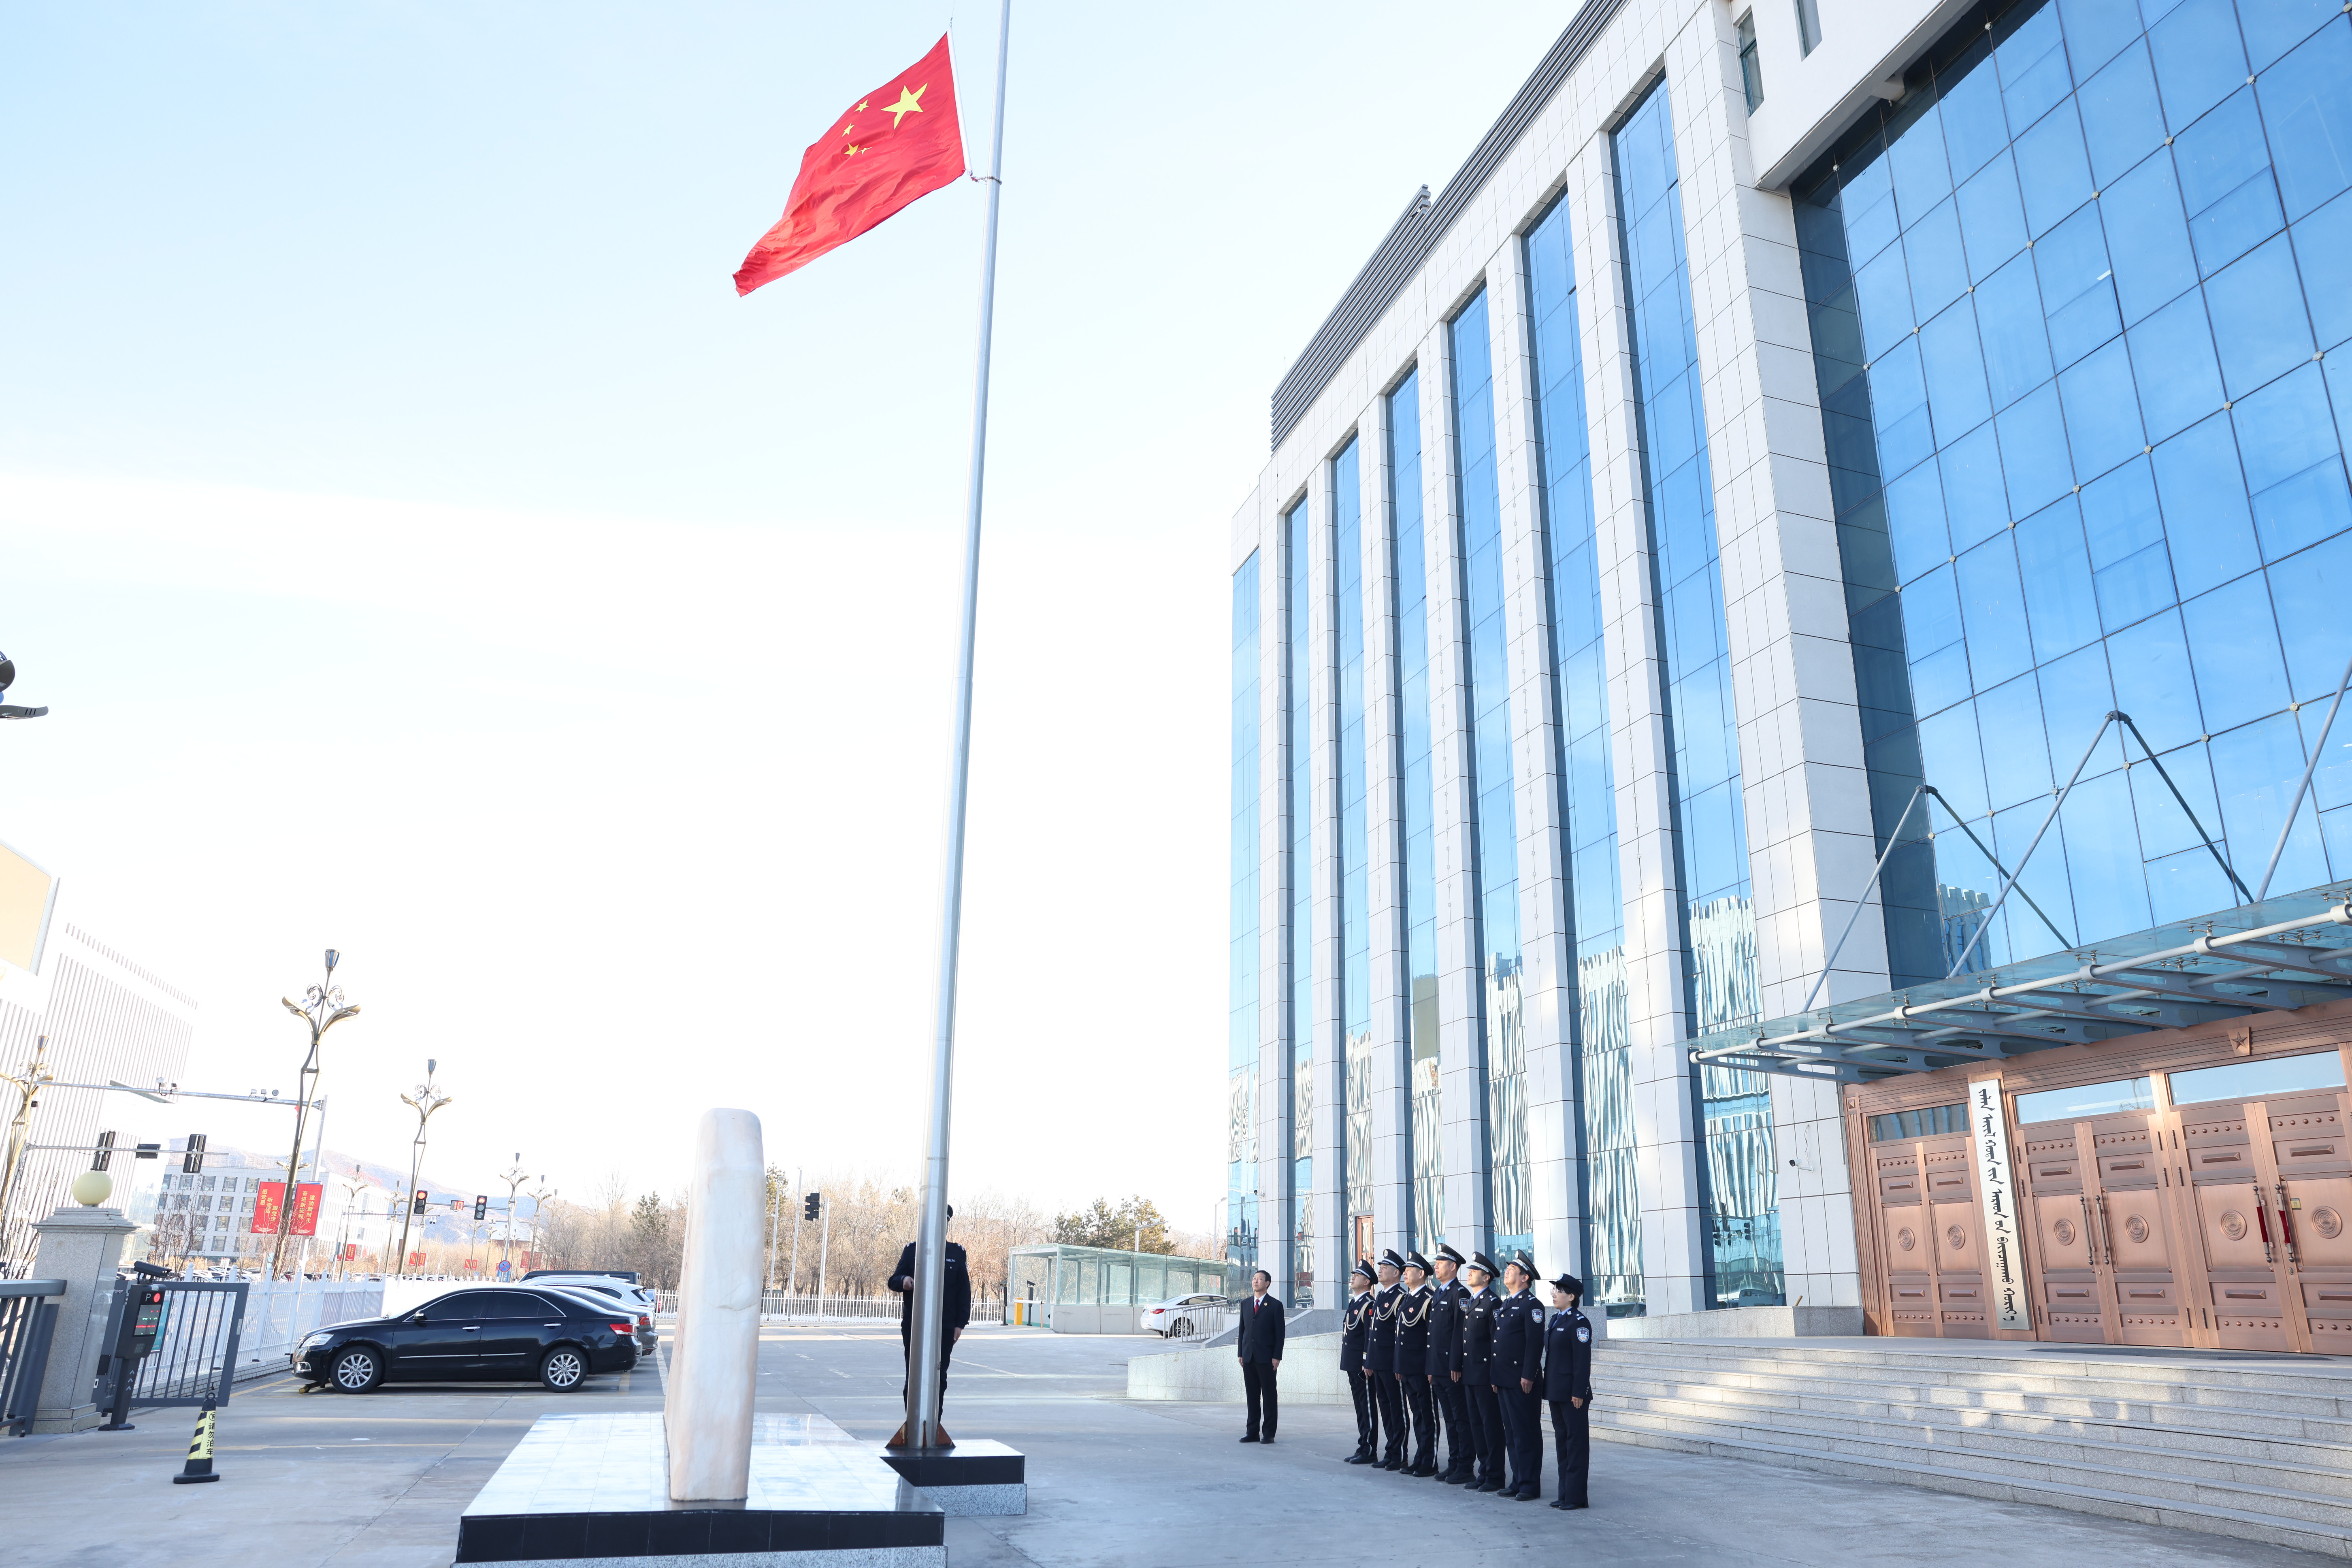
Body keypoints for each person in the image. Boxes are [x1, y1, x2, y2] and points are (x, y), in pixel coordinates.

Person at [886, 1204, 970, 1443]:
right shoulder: (912, 1250)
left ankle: (934, 1426)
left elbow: (964, 1291)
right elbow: (893, 1280)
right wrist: (905, 1280)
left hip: (945, 1328)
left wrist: (960, 1324)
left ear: (947, 1224)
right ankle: (913, 1424)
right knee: (913, 1377)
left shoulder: (956, 1253)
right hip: (915, 1327)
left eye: (943, 1221)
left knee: (939, 1379)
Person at [1491, 1250, 1545, 1501]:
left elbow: (1534, 1343)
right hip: (1505, 1378)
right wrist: (1495, 1376)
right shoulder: (1507, 1303)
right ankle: (1517, 1480)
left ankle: (1529, 1485)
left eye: (1512, 1269)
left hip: (1522, 1380)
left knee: (1526, 1432)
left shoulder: (1532, 1305)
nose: (1507, 1272)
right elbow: (1498, 1344)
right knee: (1511, 1433)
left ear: (1525, 1278)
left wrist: (1529, 1375)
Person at [1544, 1272, 1593, 1510]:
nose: (1554, 1294)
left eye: (1559, 1291)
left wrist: (1579, 1392)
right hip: (1556, 1390)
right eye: (1554, 1290)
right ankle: (1564, 1493)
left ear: (1572, 1297)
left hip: (1573, 1394)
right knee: (1563, 1443)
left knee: (1576, 1444)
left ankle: (1576, 1497)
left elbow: (1582, 1361)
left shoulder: (1579, 1322)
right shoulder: (1556, 1320)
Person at [1457, 1251, 1504, 1492]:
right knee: (1476, 1425)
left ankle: (1495, 1475)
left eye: (1474, 1271)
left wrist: (1495, 1375)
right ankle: (1484, 1471)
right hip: (1471, 1374)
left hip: (1485, 1376)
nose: (1470, 1274)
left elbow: (1497, 1343)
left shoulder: (1493, 1303)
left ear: (1486, 1278)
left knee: (1490, 1426)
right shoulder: (1473, 1301)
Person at [1425, 1243, 1472, 1484]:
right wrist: (1431, 1368)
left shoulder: (1460, 1294)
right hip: (1438, 1369)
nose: (1436, 1266)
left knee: (1460, 1419)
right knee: (1450, 1419)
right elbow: (1433, 1335)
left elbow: (1459, 1333)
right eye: (1436, 1263)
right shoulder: (1438, 1293)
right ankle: (1454, 1463)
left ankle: (1465, 1466)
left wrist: (1455, 1364)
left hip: (1452, 1370)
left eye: (1441, 1263)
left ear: (1453, 1267)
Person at [1393, 1251, 1436, 1476]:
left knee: (1427, 1416)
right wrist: (1399, 1366)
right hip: (1408, 1368)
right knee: (1417, 1414)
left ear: (1421, 1274)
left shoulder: (1428, 1299)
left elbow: (1431, 1338)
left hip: (1421, 1368)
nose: (1405, 1273)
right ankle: (1420, 1457)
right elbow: (1401, 1336)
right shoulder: (1407, 1299)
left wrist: (1430, 1368)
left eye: (1409, 1270)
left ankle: (1430, 1461)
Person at [1366, 1250, 1406, 1470]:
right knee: (1386, 1408)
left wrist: (1398, 1363)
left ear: (1396, 1273)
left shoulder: (1400, 1297)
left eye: (1385, 1267)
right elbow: (1373, 1333)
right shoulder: (1381, 1296)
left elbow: (1399, 1335)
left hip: (1392, 1363)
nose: (1380, 1270)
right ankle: (1391, 1450)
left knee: (1397, 1409)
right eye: (1380, 1267)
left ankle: (1399, 1454)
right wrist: (1369, 1361)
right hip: (1378, 1363)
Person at [1236, 1268, 1285, 1444]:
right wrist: (1241, 1353)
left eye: (1260, 1279)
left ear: (1267, 1283)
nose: (1255, 1281)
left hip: (1267, 1358)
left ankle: (1269, 1433)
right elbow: (1242, 1330)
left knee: (1269, 1397)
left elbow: (1280, 1333)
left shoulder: (1275, 1305)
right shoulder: (1245, 1304)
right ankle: (1252, 1432)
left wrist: (1277, 1356)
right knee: (1252, 1396)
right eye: (1254, 1279)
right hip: (1248, 1357)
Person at [1340, 1258, 1381, 1464]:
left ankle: (1369, 1449)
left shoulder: (1369, 1305)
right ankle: (1363, 1444)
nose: (1353, 1278)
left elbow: (1369, 1337)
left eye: (1358, 1276)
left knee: (1367, 1407)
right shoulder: (1355, 1302)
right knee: (1360, 1408)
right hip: (1352, 1363)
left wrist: (1367, 1362)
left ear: (1367, 1282)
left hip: (1361, 1365)